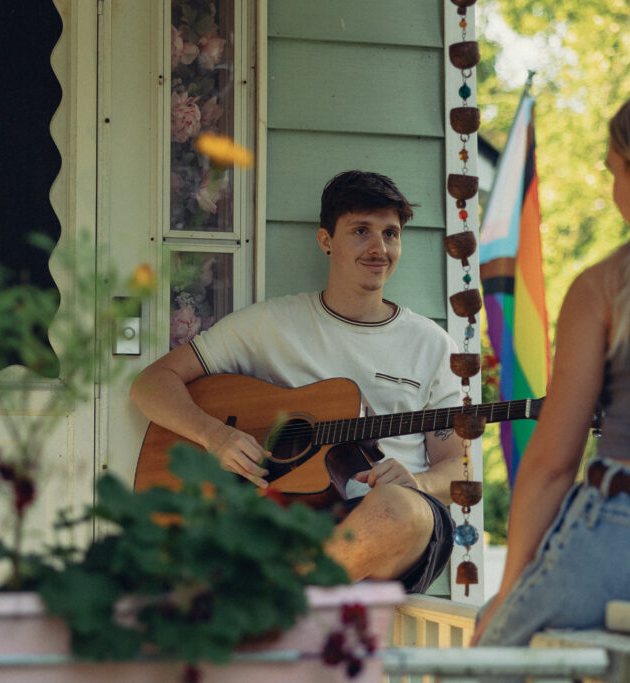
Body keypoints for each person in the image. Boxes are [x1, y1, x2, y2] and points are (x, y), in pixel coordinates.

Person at [130, 170, 463, 594]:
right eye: (361, 231)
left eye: (391, 234)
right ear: (326, 240)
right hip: (289, 520)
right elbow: (152, 384)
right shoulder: (271, 323)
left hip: (387, 532)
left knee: (399, 509)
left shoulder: (432, 345)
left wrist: (420, 483)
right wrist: (215, 435)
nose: (379, 248)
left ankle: (272, 599)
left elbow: (459, 467)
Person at [471, 86, 630, 647]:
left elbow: (552, 458)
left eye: (614, 170)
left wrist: (510, 589)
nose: (613, 188)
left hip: (621, 531)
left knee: (484, 654)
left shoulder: (605, 287)